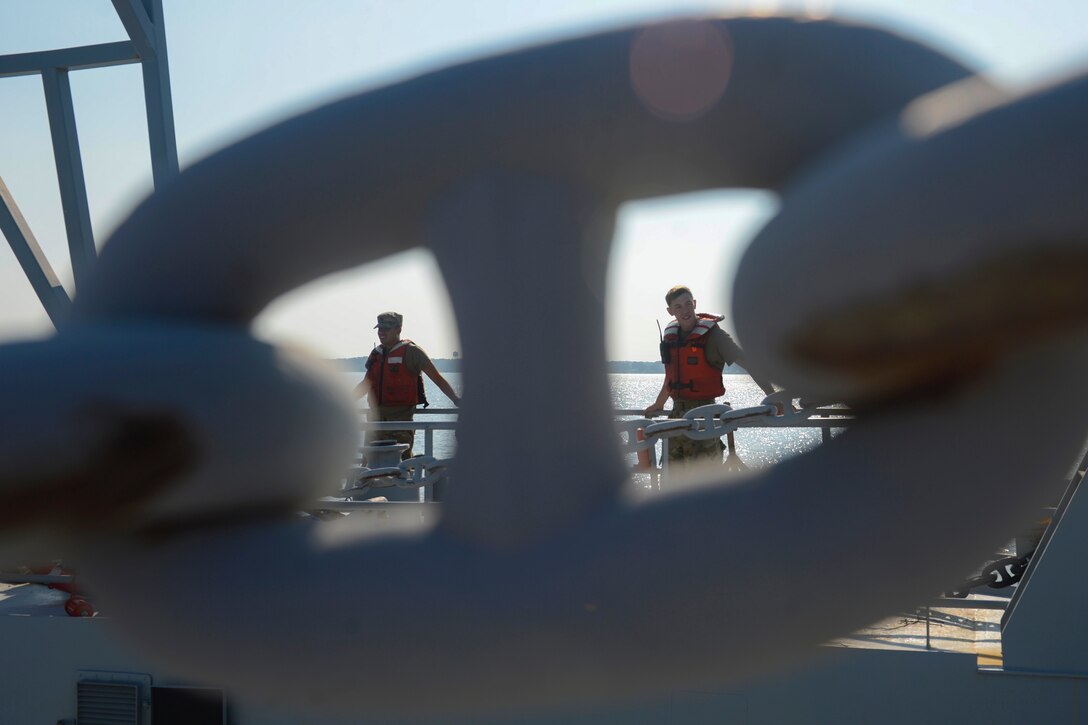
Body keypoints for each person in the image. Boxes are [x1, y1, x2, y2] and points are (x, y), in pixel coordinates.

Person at [643, 285, 777, 465]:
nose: (685, 310)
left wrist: (773, 396)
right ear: (670, 311)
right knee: (672, 480)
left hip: (705, 417)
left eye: (688, 304)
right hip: (676, 418)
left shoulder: (715, 336)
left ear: (695, 304)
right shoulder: (671, 337)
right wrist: (659, 404)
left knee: (705, 481)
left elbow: (748, 364)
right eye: (678, 306)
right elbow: (671, 378)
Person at [353, 311, 461, 460]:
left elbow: (437, 378)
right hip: (374, 422)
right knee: (369, 469)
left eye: (386, 328)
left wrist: (456, 399)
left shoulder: (412, 352)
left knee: (401, 468)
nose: (381, 332)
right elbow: (366, 384)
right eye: (380, 329)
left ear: (398, 329)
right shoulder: (376, 354)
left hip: (400, 422)